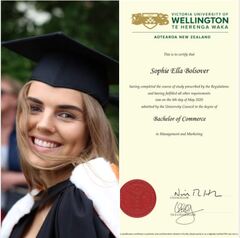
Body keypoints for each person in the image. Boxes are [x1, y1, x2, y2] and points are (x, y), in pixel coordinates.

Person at [1, 32, 119, 238]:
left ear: (92, 129)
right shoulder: (36, 203)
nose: (44, 125)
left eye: (66, 115)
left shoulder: (77, 205)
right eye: (35, 108)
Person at [1, 76, 27, 219]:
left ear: (15, 99)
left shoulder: (27, 134)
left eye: (1, 92)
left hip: (15, 208)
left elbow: (47, 174)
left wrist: (14, 178)